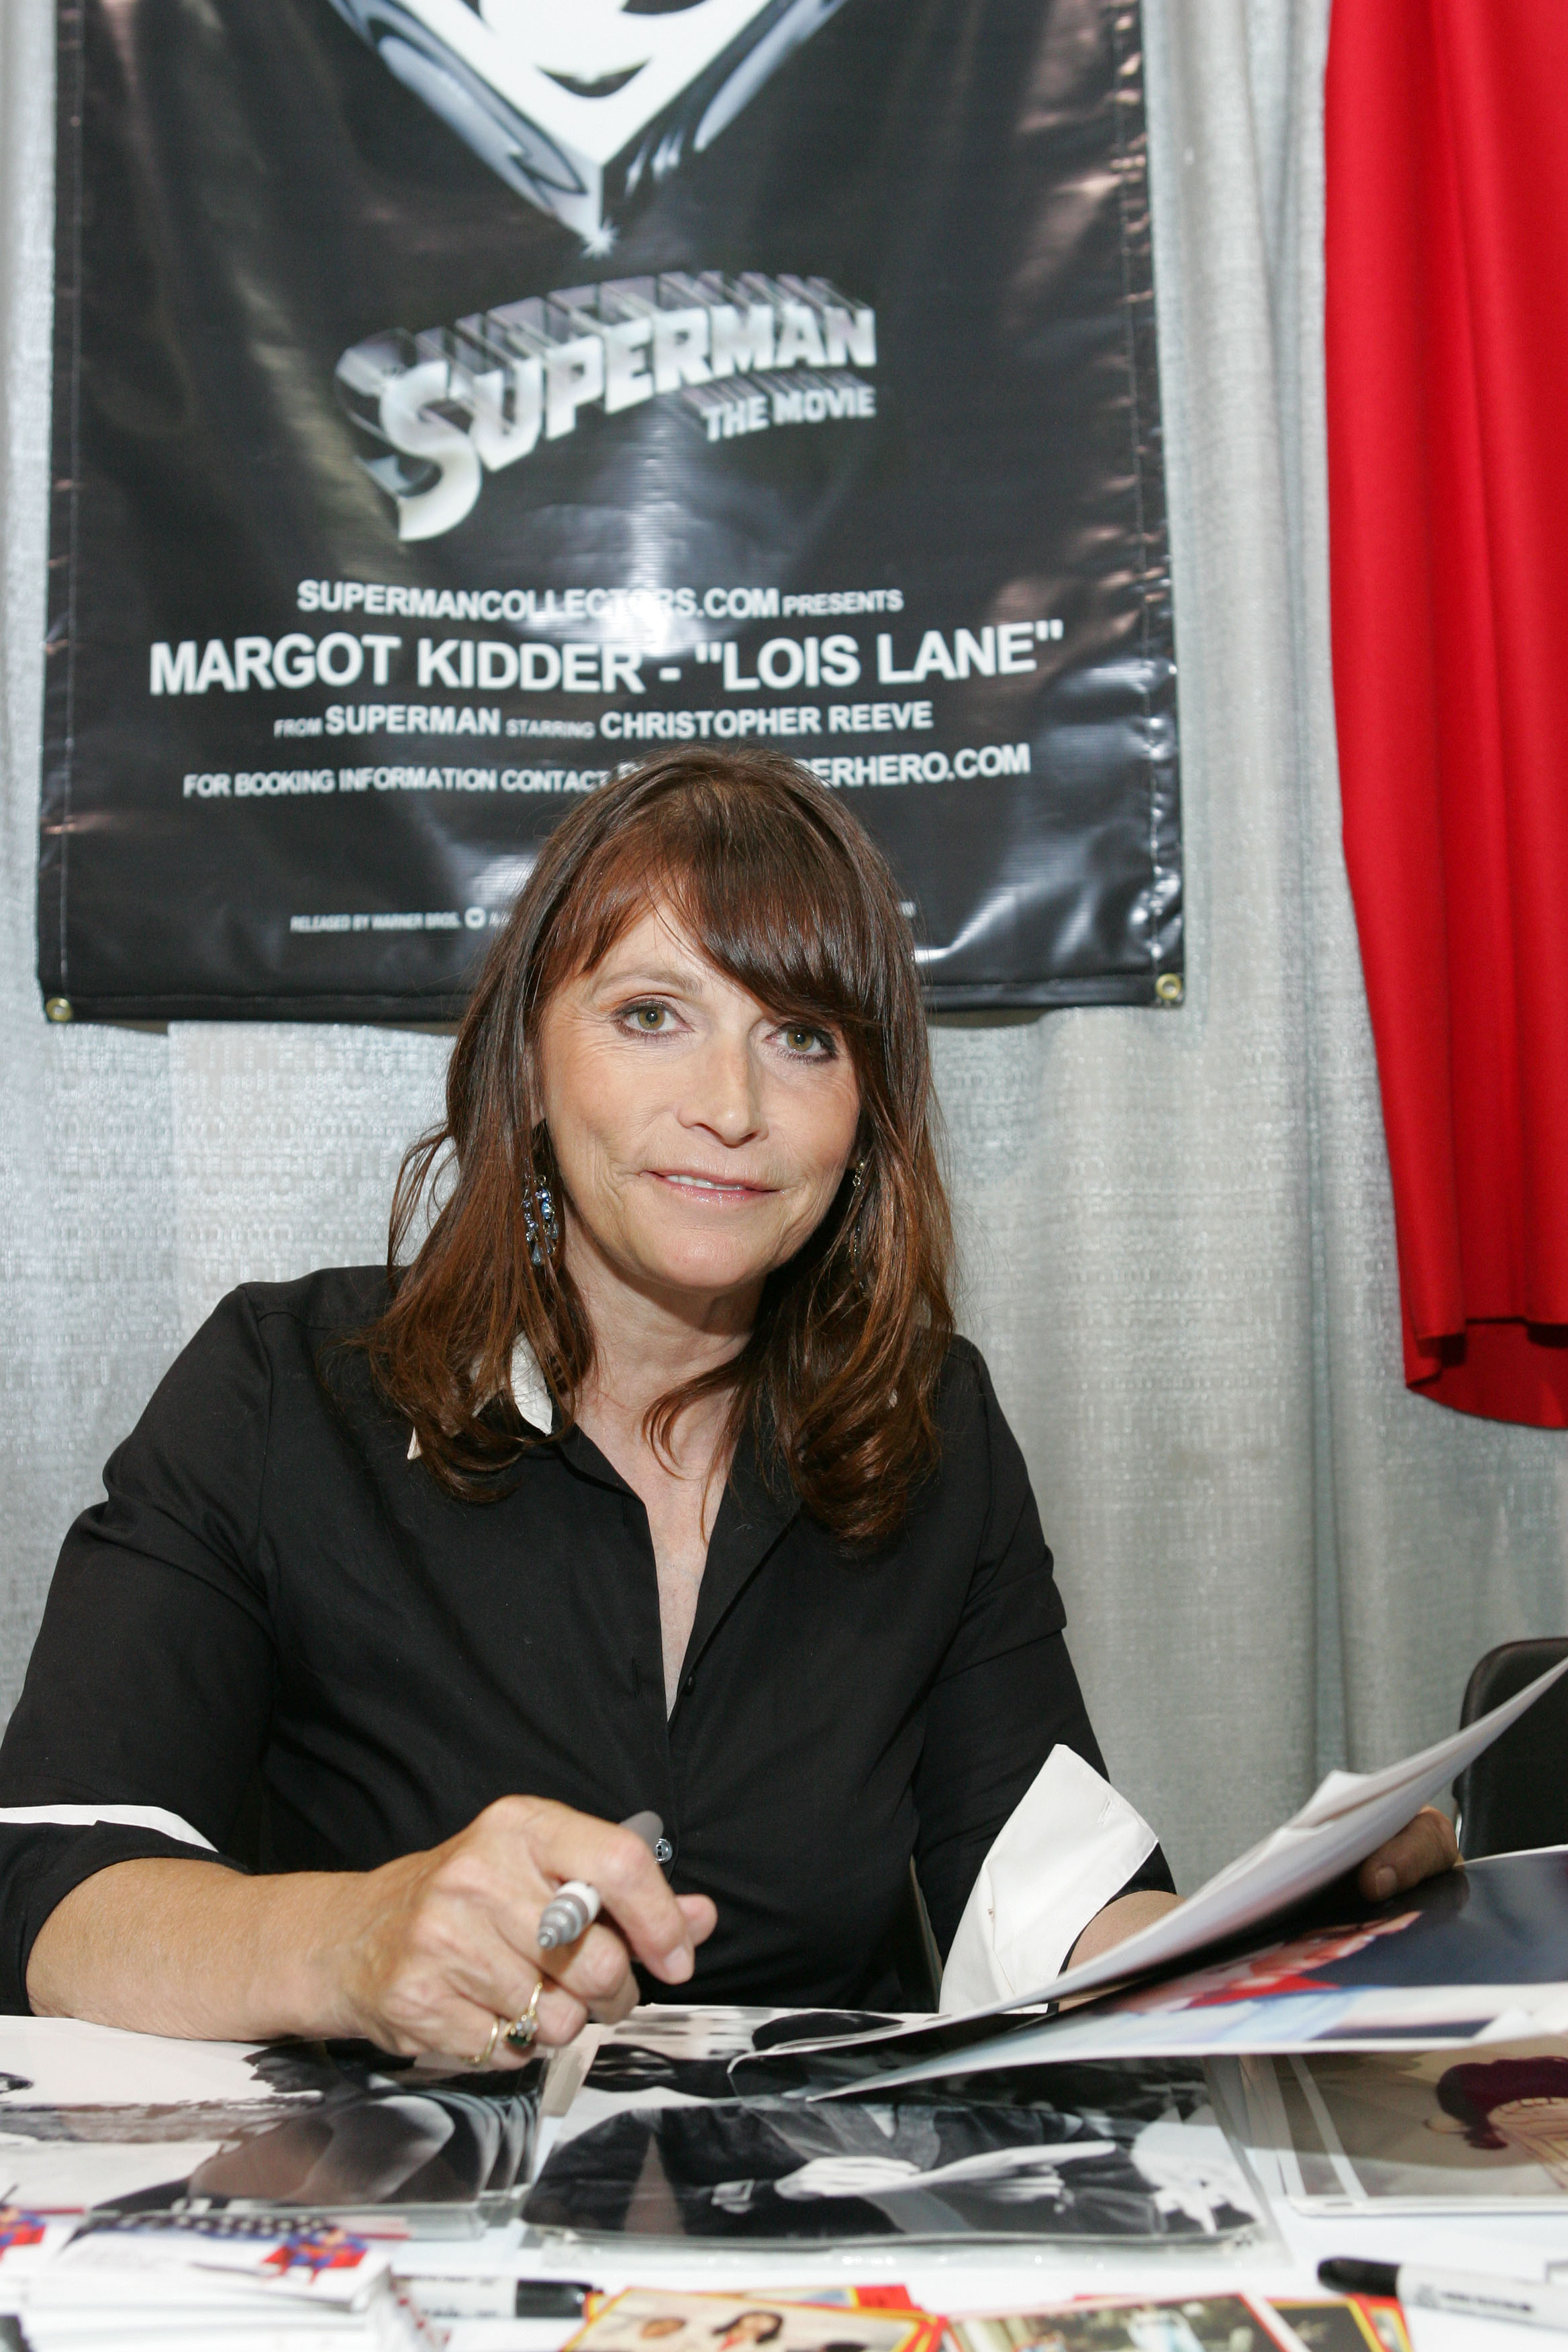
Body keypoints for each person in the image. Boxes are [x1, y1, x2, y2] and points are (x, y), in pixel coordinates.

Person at [0, 750, 1457, 2061]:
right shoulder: (281, 1389)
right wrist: (352, 1940)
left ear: (866, 1114)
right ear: (529, 1063)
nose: (732, 1104)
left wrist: (1267, 1933)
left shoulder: (929, 1420)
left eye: (803, 1037)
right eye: (651, 1014)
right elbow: (52, 1893)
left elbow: (1036, 1899)